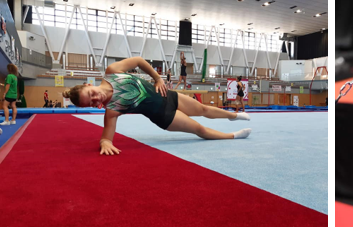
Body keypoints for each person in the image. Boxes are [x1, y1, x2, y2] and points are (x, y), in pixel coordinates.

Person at [62, 57, 252, 155]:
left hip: (168, 96)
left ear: (89, 85)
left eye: (92, 94)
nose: (97, 99)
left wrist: (157, 78)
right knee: (199, 129)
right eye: (93, 102)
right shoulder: (112, 110)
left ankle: (233, 116)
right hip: (164, 116)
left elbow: (138, 61)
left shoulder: (112, 72)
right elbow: (106, 137)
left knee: (204, 110)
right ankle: (234, 135)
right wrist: (105, 143)